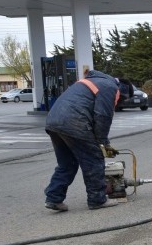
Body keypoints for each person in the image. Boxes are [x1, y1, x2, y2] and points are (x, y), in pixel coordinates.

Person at [43, 69, 120, 211]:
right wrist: (103, 142)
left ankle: (54, 198)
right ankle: (97, 199)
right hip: (74, 123)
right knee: (94, 160)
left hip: (53, 121)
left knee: (67, 163)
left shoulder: (88, 81)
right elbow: (102, 115)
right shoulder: (110, 87)